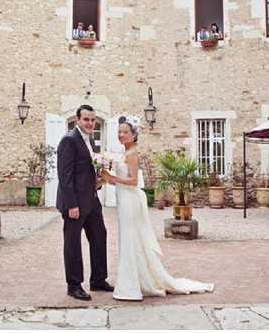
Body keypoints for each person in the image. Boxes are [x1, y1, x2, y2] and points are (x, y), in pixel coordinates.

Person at [101, 116, 214, 301]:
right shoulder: (124, 152)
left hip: (130, 201)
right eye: (119, 131)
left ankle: (130, 287)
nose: (121, 134)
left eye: (125, 132)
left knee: (130, 240)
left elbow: (133, 182)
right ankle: (136, 280)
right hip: (124, 200)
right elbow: (122, 182)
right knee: (129, 240)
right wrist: (106, 179)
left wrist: (111, 178)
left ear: (134, 135)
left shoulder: (132, 154)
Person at [56, 105, 113, 301]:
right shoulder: (69, 140)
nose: (90, 123)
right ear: (77, 120)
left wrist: (97, 181)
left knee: (99, 236)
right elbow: (65, 176)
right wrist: (72, 205)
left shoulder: (92, 140)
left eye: (92, 120)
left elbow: (86, 170)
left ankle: (98, 279)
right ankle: (74, 285)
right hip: (74, 203)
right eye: (86, 119)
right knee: (72, 243)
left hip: (91, 199)